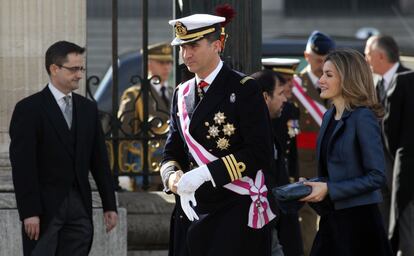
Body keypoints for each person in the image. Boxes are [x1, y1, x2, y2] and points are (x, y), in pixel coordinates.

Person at [160, 14, 277, 256]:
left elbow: (260, 152)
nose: (186, 54)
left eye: (193, 45)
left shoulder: (244, 89)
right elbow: (172, 150)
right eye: (182, 47)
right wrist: (173, 180)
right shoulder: (181, 93)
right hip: (190, 208)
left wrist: (205, 173)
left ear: (217, 45)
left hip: (232, 208)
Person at [9, 41, 118, 256]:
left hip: (80, 209)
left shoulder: (88, 108)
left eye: (81, 68)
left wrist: (109, 205)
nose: (79, 75)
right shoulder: (29, 109)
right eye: (74, 69)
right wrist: (29, 212)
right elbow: (23, 167)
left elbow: (99, 161)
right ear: (54, 69)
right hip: (44, 211)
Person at [300, 49, 392, 256]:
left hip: (360, 225)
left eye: (329, 75)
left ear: (348, 78)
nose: (320, 80)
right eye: (322, 73)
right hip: (332, 222)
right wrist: (309, 186)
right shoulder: (327, 117)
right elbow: (332, 173)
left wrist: (329, 188)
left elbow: (377, 176)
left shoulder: (363, 118)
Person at [252, 68, 304, 256]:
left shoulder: (269, 126)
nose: (285, 99)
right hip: (264, 220)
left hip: (278, 214)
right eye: (281, 93)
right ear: (266, 97)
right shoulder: (255, 134)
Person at [293, 30, 336, 255]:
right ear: (306, 56)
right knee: (307, 214)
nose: (321, 65)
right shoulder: (295, 87)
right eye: (317, 60)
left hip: (333, 159)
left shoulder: (337, 84)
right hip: (306, 159)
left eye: (325, 60)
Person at [364, 35, 410, 232]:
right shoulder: (374, 86)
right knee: (381, 219)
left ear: (380, 56)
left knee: (403, 219)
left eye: (367, 54)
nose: (366, 59)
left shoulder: (409, 81)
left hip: (402, 166)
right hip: (378, 168)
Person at [117, 42, 173, 190]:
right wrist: (122, 172)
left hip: (174, 171)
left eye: (169, 62)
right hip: (147, 173)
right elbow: (122, 134)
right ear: (149, 64)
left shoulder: (174, 92)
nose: (167, 67)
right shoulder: (135, 94)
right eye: (161, 62)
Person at [383, 71, 414, 256]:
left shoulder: (404, 81)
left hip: (407, 167)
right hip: (408, 172)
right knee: (406, 234)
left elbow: (390, 129)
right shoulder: (404, 81)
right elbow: (389, 128)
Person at [263, 58, 301, 182]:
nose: (292, 85)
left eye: (292, 80)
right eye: (286, 80)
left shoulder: (292, 109)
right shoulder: (268, 109)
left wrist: (293, 175)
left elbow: (292, 144)